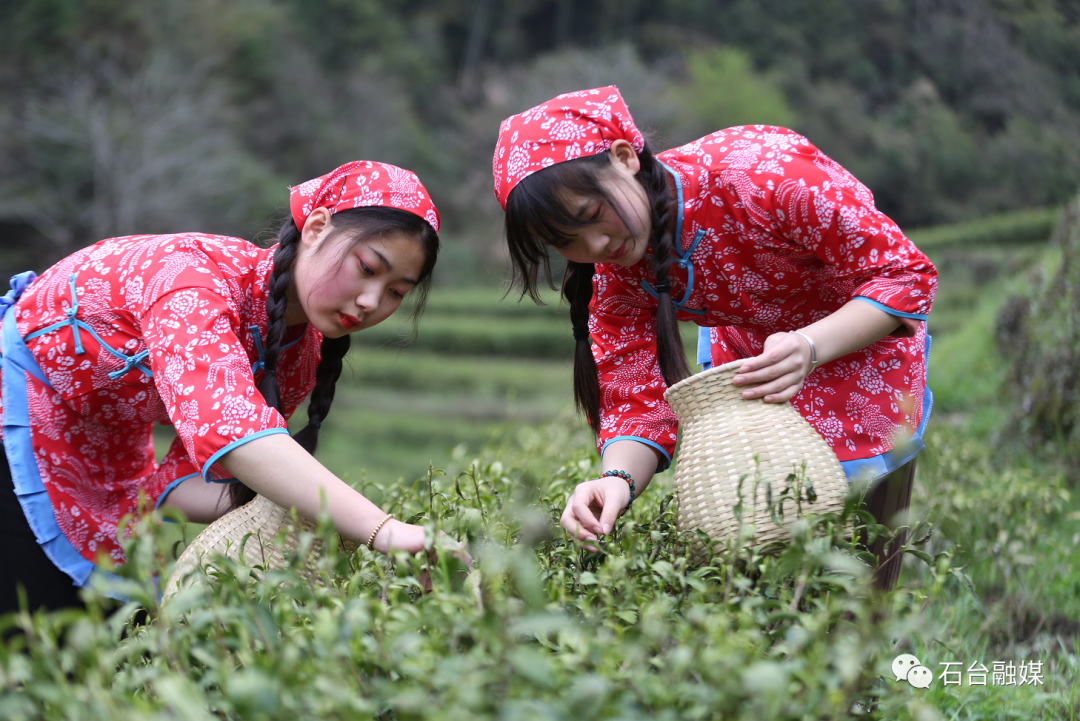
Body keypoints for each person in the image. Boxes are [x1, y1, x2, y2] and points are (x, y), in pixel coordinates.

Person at [492, 86, 936, 591]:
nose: (595, 246)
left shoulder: (763, 176)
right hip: (757, 362)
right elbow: (635, 398)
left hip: (859, 342)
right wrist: (614, 482)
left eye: (593, 217)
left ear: (623, 158)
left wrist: (810, 346)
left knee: (866, 566)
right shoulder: (616, 274)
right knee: (759, 561)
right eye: (566, 242)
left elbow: (904, 274)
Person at [0, 160, 452, 614]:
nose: (372, 301)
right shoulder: (192, 281)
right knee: (33, 631)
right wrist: (382, 528)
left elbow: (174, 488)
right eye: (368, 268)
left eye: (397, 291)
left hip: (111, 448)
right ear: (316, 227)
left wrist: (324, 515)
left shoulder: (297, 353)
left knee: (113, 626)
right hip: (16, 405)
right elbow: (234, 437)